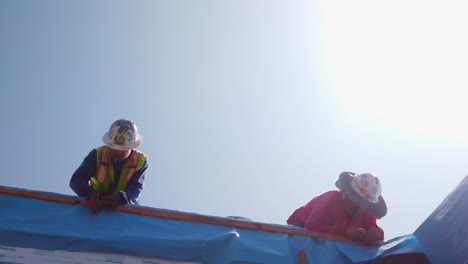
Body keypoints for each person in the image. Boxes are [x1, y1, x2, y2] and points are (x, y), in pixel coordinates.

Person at [70, 119, 148, 213]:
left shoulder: (140, 161)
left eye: (123, 150)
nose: (118, 152)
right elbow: (76, 180)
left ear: (132, 147)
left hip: (124, 203)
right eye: (114, 148)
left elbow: (136, 188)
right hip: (95, 200)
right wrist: (89, 193)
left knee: (136, 209)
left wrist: (124, 198)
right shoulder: (97, 155)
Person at [287, 172, 387, 244]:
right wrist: (346, 231)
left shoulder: (367, 212)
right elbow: (311, 226)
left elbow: (373, 228)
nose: (358, 207)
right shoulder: (330, 198)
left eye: (363, 204)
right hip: (301, 228)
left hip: (333, 243)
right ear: (347, 193)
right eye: (356, 201)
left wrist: (376, 232)